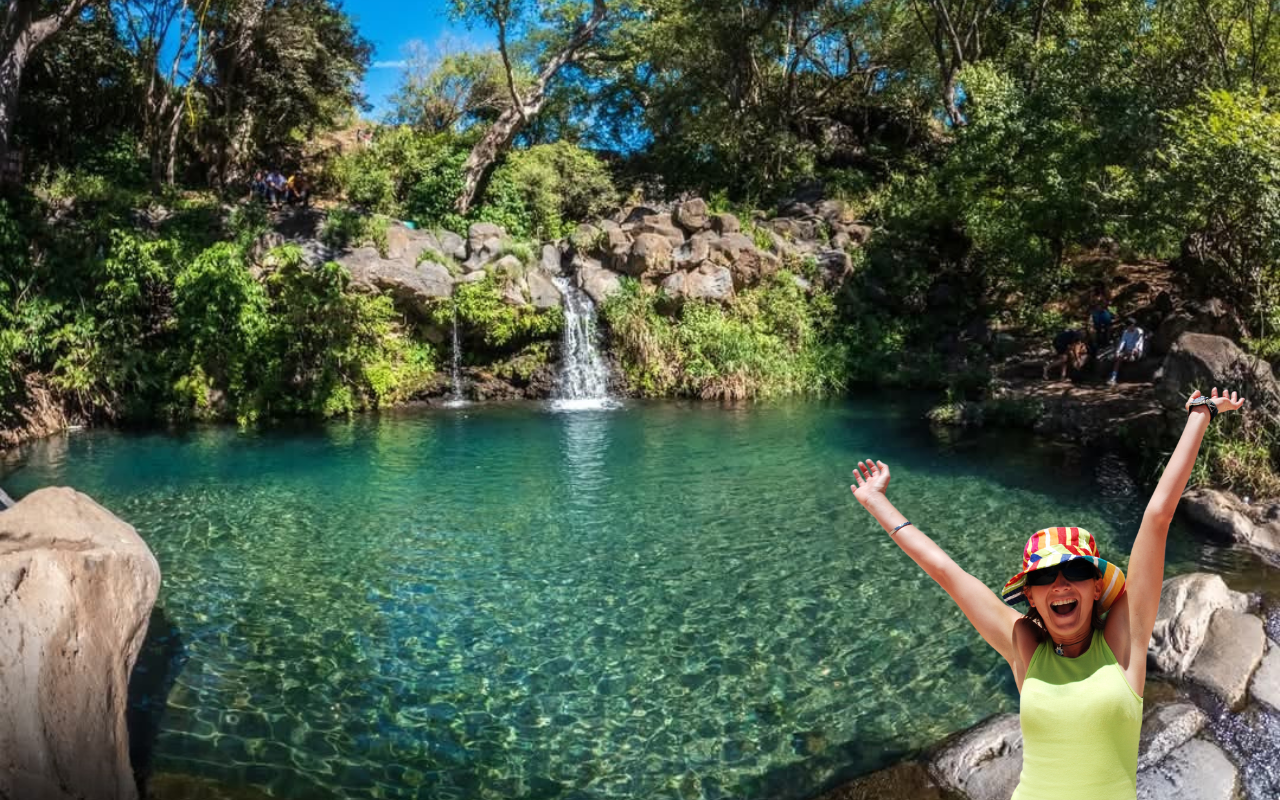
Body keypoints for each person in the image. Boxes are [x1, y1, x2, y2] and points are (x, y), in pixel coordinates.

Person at [850, 387, 1245, 800]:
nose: (1059, 584)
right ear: (1032, 597)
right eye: (1043, 578)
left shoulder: (1123, 646)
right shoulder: (1025, 647)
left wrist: (1201, 413)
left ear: (1096, 587)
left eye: (1074, 570)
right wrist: (876, 501)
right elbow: (947, 572)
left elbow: (1157, 516)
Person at [1109, 317, 1145, 386]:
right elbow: (1122, 342)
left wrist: (1132, 351)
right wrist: (1118, 351)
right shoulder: (1125, 332)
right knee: (1119, 357)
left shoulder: (1139, 331)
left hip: (1137, 352)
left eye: (1130, 325)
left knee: (1128, 352)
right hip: (1127, 352)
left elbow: (1137, 343)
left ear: (1133, 325)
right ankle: (1113, 377)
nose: (1128, 327)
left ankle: (1129, 357)